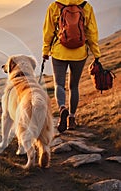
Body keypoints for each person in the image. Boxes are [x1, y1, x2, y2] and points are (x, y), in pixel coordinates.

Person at [42, 0, 101, 133]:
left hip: (59, 52)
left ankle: (62, 108)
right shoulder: (86, 6)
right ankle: (72, 118)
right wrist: (96, 53)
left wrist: (45, 51)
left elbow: (48, 32)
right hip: (79, 53)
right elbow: (92, 32)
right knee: (74, 86)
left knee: (59, 85)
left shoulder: (54, 6)